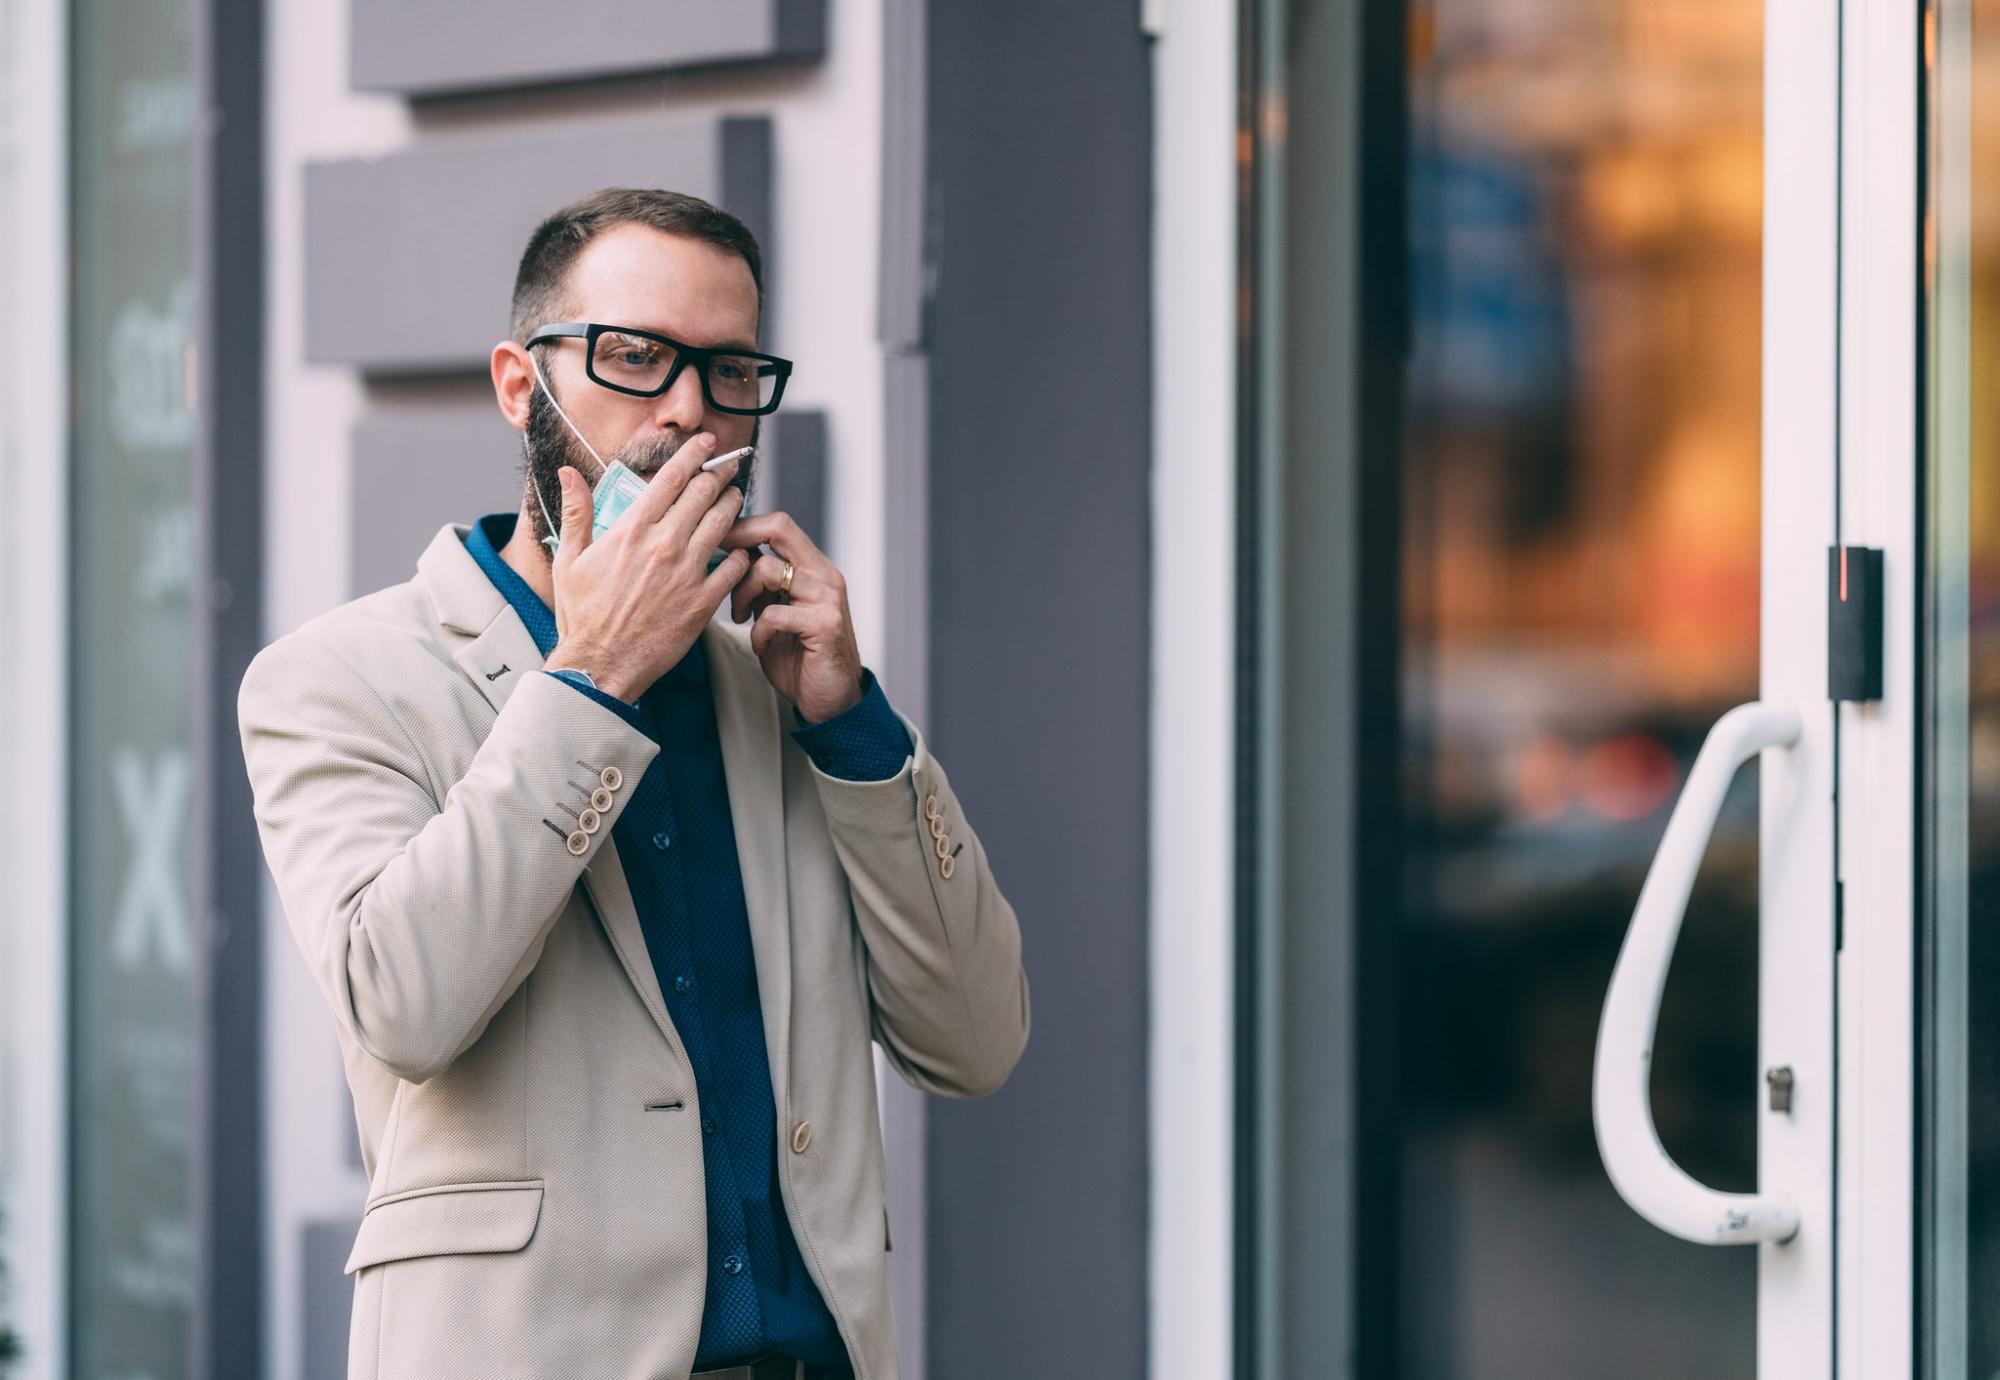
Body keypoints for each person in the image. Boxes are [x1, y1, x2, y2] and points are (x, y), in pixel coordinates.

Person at [237, 187, 1030, 1380]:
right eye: (635, 357)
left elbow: (975, 1041)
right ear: (521, 384)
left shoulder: (782, 690)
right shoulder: (336, 678)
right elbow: (400, 998)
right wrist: (595, 678)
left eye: (726, 371)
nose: (685, 411)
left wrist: (852, 728)